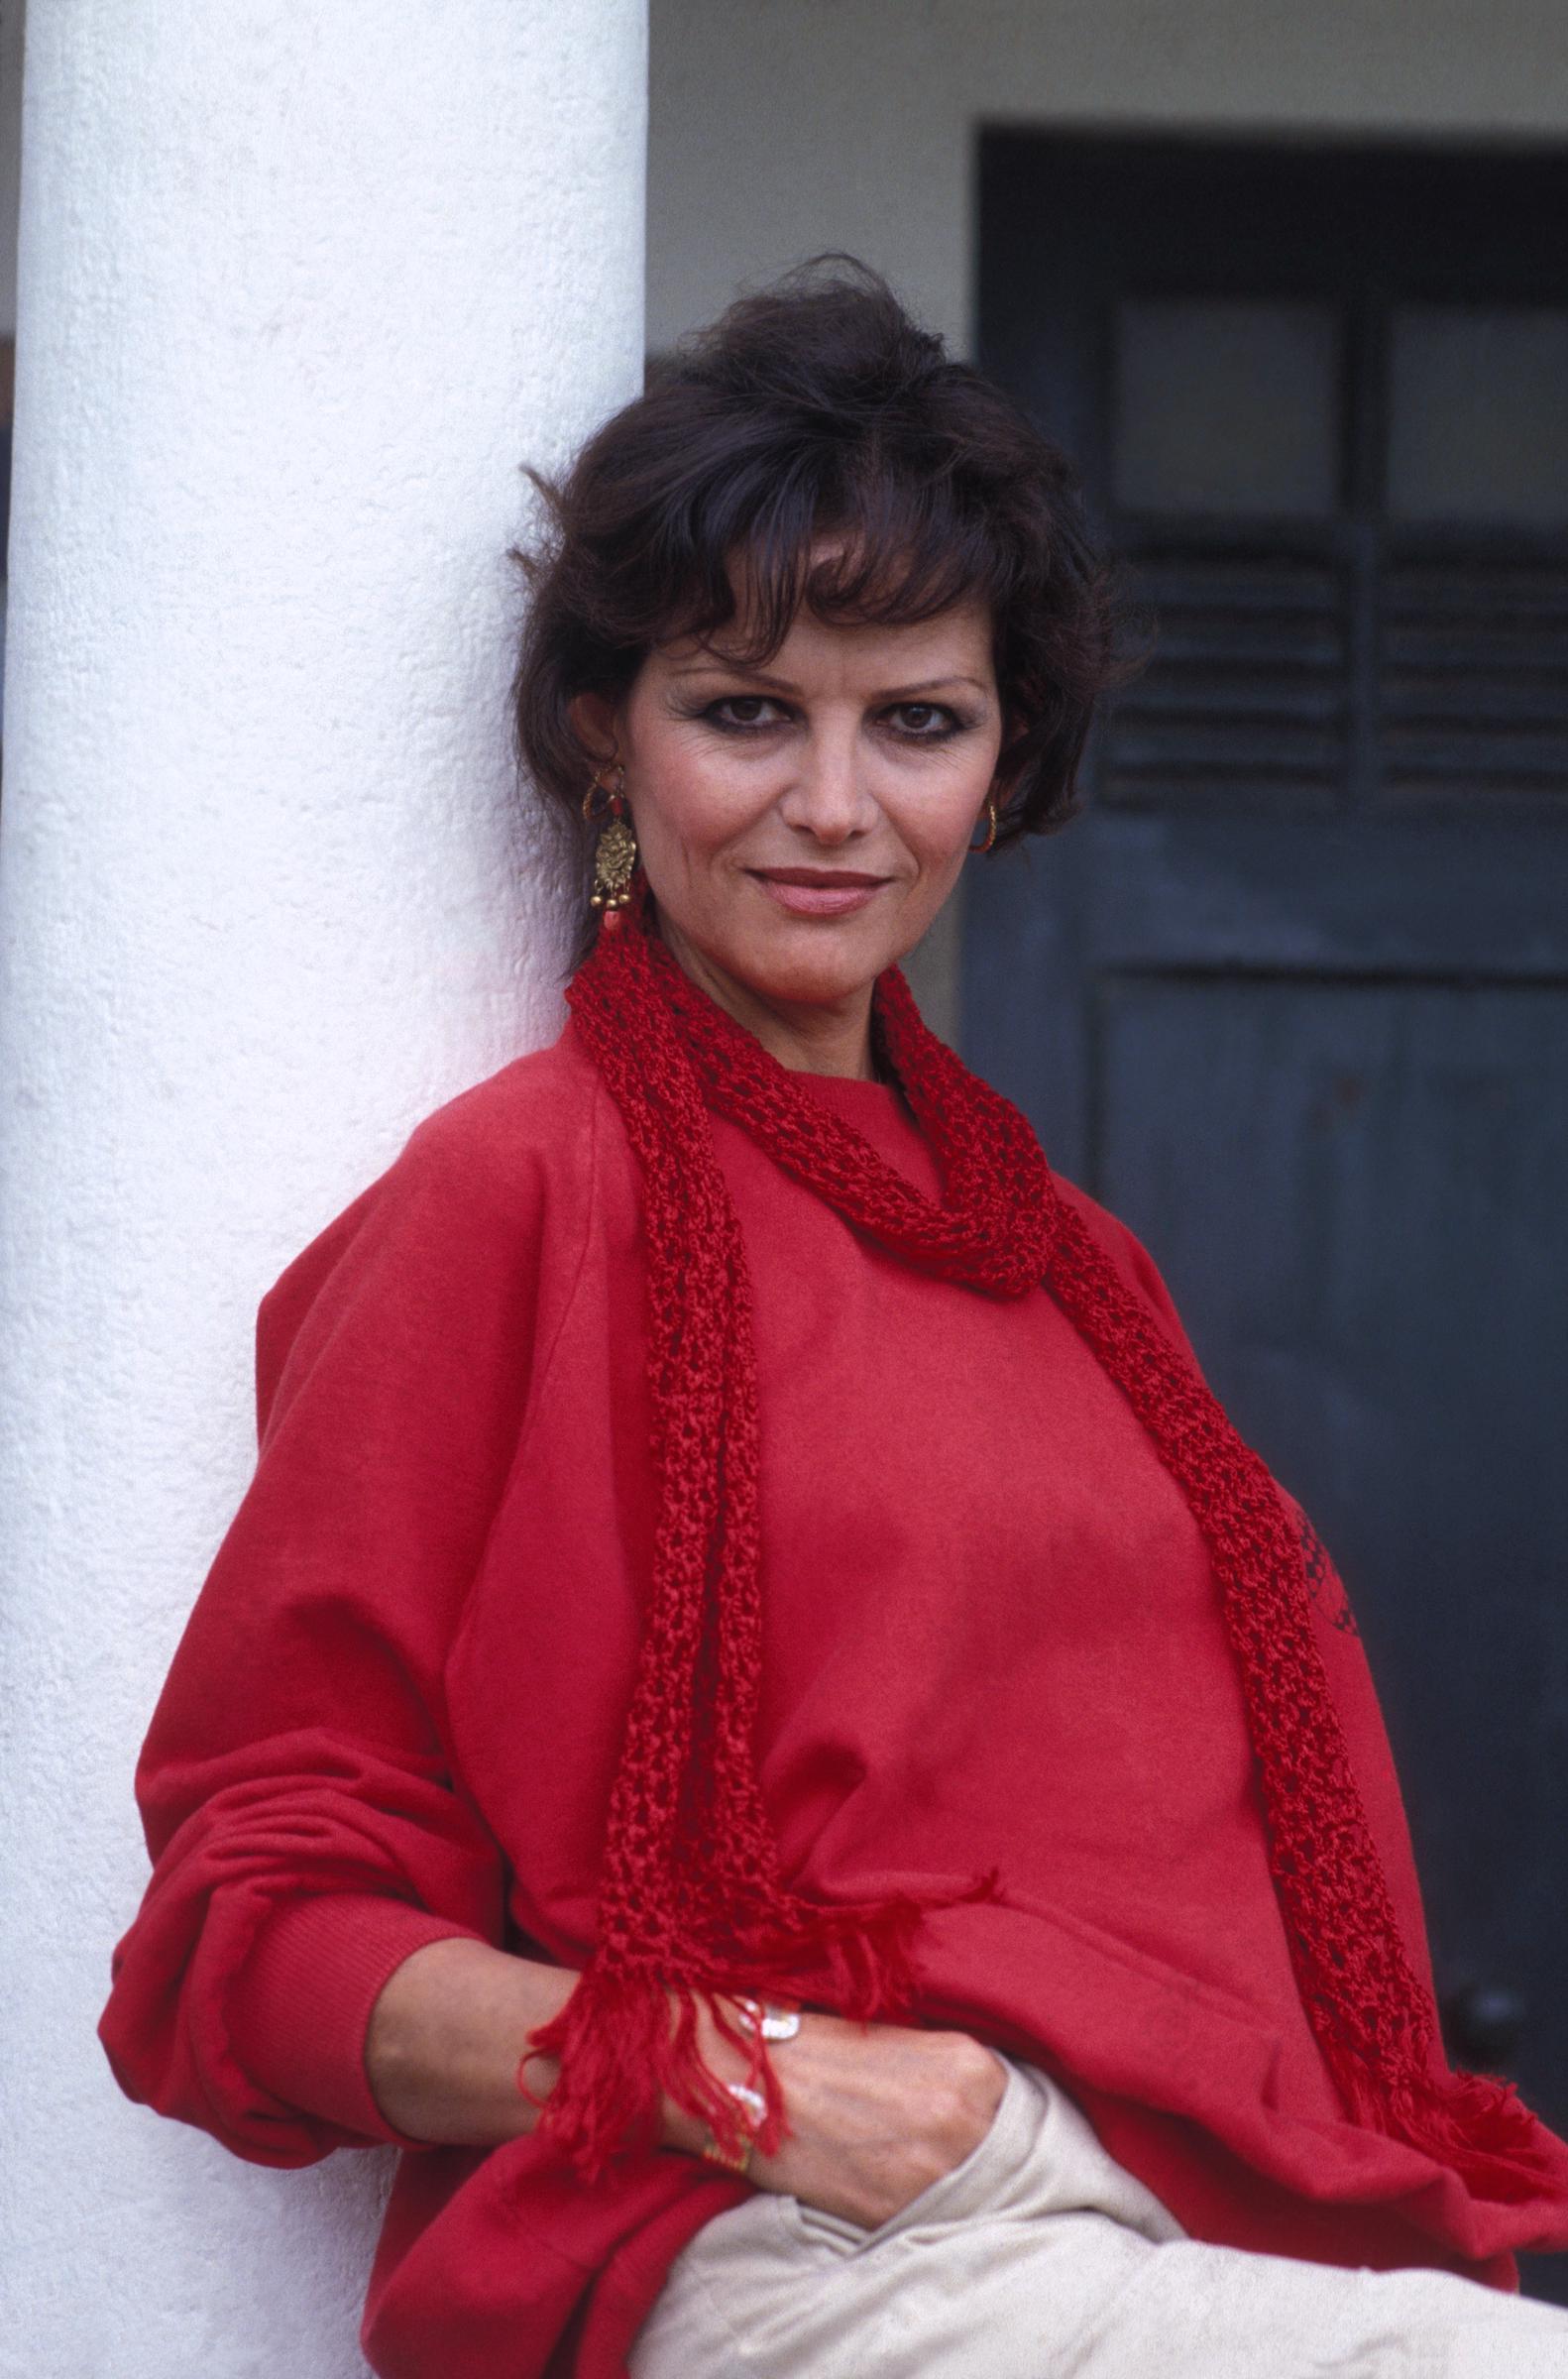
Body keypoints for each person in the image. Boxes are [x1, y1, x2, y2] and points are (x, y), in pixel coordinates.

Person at [99, 261, 1568, 2379]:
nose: (831, 807)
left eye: (918, 723)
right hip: (841, 2238)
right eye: (742, 710)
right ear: (608, 734)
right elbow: (243, 1934)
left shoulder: (1071, 1265)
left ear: (1005, 757)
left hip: (1211, 2219)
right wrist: (741, 2073)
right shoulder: (518, 1193)